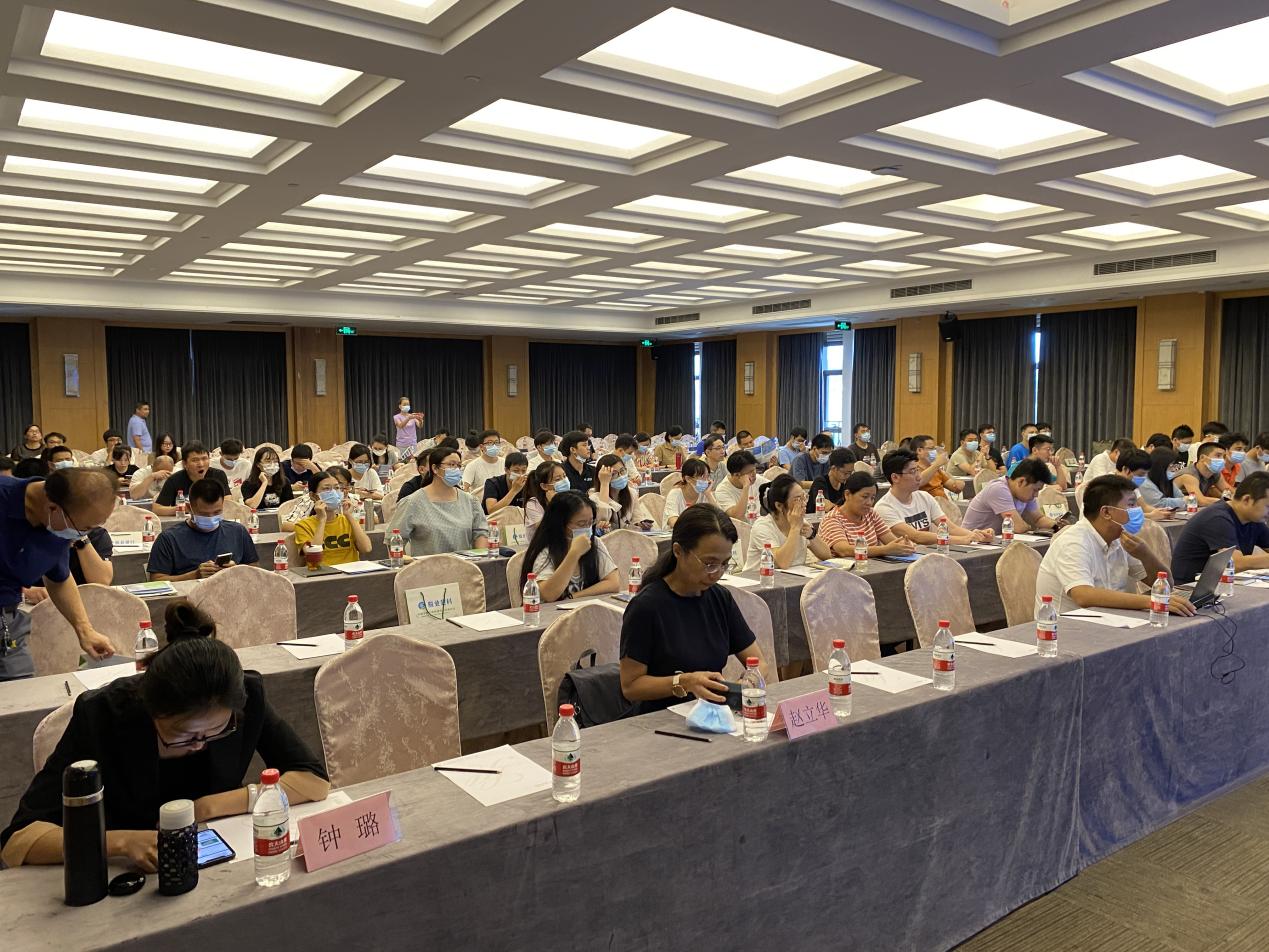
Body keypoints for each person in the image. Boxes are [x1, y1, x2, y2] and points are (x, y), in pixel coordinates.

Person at [0, 604, 329, 870]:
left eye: (214, 732)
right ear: (151, 710)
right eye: (183, 735)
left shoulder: (243, 696)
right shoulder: (103, 715)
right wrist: (120, 842)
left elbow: (313, 781)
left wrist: (207, 806)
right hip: (127, 873)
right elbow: (19, 839)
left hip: (213, 859)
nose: (199, 745)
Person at [619, 505, 765, 715]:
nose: (717, 573)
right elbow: (631, 687)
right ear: (678, 551)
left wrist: (747, 682)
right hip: (659, 719)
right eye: (709, 563)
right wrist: (684, 682)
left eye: (725, 564)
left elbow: (759, 663)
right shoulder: (647, 606)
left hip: (710, 714)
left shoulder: (720, 598)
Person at [0, 468, 117, 678]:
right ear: (52, 508)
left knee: (20, 691)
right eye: (84, 528)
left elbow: (59, 578)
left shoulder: (57, 525)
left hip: (7, 622)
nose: (82, 535)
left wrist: (85, 630)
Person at [1036, 475, 1194, 617]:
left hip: (1109, 621)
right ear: (1106, 512)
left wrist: (1146, 555)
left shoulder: (1120, 539)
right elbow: (1083, 595)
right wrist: (1151, 601)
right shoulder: (1073, 542)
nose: (1138, 511)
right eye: (1131, 505)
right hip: (1064, 630)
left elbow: (1165, 585)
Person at [148, 479, 259, 581]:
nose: (211, 518)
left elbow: (255, 571)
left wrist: (236, 570)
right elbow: (156, 580)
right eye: (204, 514)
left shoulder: (237, 531)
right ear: (189, 508)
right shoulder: (169, 539)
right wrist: (194, 575)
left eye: (217, 512)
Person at [388, 446, 489, 556]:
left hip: (464, 564)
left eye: (459, 465)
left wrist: (480, 558)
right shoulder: (413, 502)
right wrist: (404, 562)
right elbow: (394, 539)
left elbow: (481, 533)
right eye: (451, 464)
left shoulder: (470, 501)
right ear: (435, 468)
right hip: (427, 565)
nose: (456, 469)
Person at [519, 491, 618, 603]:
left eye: (590, 523)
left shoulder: (595, 543)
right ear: (560, 524)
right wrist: (574, 554)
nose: (587, 528)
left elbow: (613, 583)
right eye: (581, 524)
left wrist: (574, 597)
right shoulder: (546, 551)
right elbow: (548, 595)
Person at [874, 451, 992, 544]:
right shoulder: (884, 507)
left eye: (917, 470)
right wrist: (962, 539)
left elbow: (951, 528)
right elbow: (916, 536)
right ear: (895, 477)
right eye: (912, 472)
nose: (919, 477)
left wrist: (976, 535)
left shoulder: (924, 497)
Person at [1170, 472, 1269, 583]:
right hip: (1190, 587)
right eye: (1268, 506)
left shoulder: (1253, 518)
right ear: (1246, 500)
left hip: (1219, 584)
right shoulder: (1217, 518)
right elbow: (1234, 563)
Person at [819, 472, 917, 559]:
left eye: (872, 498)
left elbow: (891, 540)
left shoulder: (871, 514)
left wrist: (904, 545)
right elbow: (844, 550)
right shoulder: (832, 519)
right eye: (865, 497)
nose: (869, 502)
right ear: (847, 494)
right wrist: (885, 550)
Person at [744, 474, 831, 570]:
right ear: (779, 506)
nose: (804, 503)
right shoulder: (762, 527)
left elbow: (827, 555)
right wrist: (795, 528)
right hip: (760, 578)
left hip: (794, 577)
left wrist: (811, 534)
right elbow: (783, 563)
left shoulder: (802, 522)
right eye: (798, 499)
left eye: (804, 497)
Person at [289, 470, 373, 567]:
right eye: (326, 489)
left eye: (337, 488)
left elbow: (366, 548)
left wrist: (349, 516)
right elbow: (313, 555)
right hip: (322, 573)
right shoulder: (303, 526)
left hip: (350, 570)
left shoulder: (347, 520)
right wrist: (322, 520)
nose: (334, 493)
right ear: (313, 495)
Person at [962, 458, 1062, 534]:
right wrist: (1028, 526)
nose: (1036, 495)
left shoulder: (1025, 493)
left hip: (997, 541)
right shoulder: (998, 489)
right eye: (1035, 490)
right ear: (1021, 481)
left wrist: (1058, 526)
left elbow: (1039, 519)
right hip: (973, 542)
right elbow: (1018, 527)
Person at [152, 442, 230, 516]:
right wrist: (183, 508)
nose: (201, 464)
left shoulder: (218, 475)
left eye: (204, 459)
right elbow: (157, 509)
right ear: (184, 464)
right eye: (195, 460)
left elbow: (228, 502)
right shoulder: (174, 480)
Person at [712, 450, 765, 520]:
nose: (754, 474)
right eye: (750, 472)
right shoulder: (722, 490)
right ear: (736, 475)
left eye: (754, 469)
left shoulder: (758, 479)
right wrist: (746, 487)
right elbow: (737, 516)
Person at [1173, 442, 1227, 507]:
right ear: (1202, 457)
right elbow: (1201, 501)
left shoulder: (1215, 473)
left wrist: (1232, 500)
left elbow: (1229, 491)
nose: (1222, 460)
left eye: (1224, 457)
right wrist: (1229, 502)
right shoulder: (1189, 475)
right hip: (1170, 509)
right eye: (1218, 456)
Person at [525, 460, 570, 539]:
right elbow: (546, 530)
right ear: (544, 486)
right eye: (557, 479)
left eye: (564, 476)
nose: (564, 481)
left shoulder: (570, 497)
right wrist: (554, 504)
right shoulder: (533, 504)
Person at [241, 446, 293, 511]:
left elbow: (290, 506)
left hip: (280, 515)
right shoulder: (248, 483)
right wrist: (264, 483)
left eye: (275, 461)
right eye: (268, 461)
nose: (272, 464)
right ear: (258, 464)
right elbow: (252, 506)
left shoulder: (284, 481)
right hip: (258, 516)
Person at [484, 451, 530, 515]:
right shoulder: (492, 483)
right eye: (516, 471)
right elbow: (491, 511)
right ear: (506, 470)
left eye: (523, 470)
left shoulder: (529, 483)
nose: (520, 474)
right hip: (496, 519)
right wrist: (514, 490)